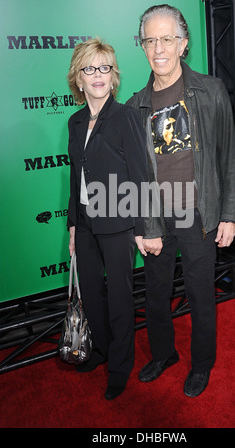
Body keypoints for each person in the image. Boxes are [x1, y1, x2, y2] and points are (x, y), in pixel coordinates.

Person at [126, 4, 235, 397]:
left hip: (199, 212)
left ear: (184, 43)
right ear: (142, 46)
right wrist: (143, 227)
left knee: (199, 294)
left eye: (168, 38)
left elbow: (227, 155)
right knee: (156, 295)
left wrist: (229, 214)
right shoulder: (134, 106)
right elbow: (135, 177)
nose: (159, 48)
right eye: (151, 40)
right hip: (158, 216)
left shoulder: (209, 91)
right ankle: (163, 354)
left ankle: (202, 364)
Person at [67, 38, 147, 400]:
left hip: (117, 223)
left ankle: (119, 366)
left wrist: (144, 229)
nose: (97, 75)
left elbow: (142, 175)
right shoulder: (74, 121)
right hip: (84, 223)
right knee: (93, 297)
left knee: (119, 298)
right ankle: (99, 350)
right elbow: (75, 177)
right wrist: (72, 225)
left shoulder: (126, 117)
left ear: (113, 76)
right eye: (89, 68)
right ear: (78, 78)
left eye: (104, 67)